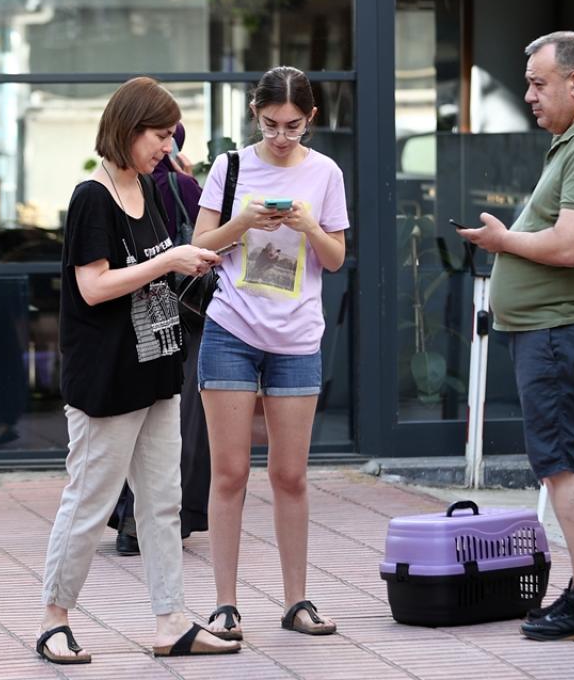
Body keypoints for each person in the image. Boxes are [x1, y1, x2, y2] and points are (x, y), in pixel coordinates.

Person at [37, 77, 239, 663]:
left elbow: (147, 274)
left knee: (162, 503)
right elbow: (93, 286)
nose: (167, 144)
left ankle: (170, 620)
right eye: (158, 134)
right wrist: (169, 260)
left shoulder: (147, 190)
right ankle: (54, 619)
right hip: (106, 382)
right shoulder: (91, 198)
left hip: (155, 371)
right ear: (127, 130)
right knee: (91, 500)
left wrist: (185, 263)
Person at [456, 31, 574, 642]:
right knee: (567, 463)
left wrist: (502, 240)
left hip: (570, 330)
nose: (530, 96)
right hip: (566, 328)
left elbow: (570, 245)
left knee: (567, 466)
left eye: (538, 83)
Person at [192, 66, 349, 640]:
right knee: (229, 473)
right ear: (255, 115)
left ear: (310, 119)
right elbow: (199, 245)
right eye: (270, 124)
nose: (282, 137)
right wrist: (242, 221)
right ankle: (226, 604)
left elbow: (334, 259)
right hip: (231, 328)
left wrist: (307, 224)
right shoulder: (230, 166)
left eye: (293, 126)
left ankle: (296, 601)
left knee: (290, 475)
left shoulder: (325, 173)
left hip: (298, 338)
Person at [108, 122, 212, 554]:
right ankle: (156, 519)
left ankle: (128, 517)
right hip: (180, 311)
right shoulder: (183, 186)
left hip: (131, 307)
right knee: (177, 414)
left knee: (136, 410)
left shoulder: (120, 186)